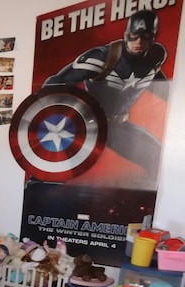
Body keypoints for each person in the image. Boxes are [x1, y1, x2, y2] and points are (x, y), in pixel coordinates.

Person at [43, 10, 167, 186]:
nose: (138, 41)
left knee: (159, 160)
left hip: (118, 127)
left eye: (145, 36)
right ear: (126, 35)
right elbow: (54, 84)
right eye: (134, 36)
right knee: (48, 173)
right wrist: (60, 118)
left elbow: (168, 93)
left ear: (153, 38)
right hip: (87, 125)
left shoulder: (152, 63)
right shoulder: (103, 57)